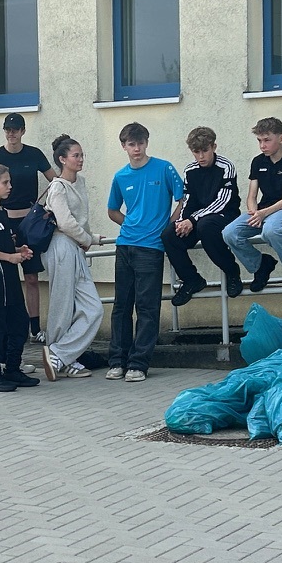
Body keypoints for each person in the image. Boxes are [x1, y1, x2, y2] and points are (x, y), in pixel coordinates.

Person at [106, 123, 185, 383]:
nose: (137, 148)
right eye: (131, 144)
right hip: (125, 245)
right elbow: (112, 210)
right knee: (121, 306)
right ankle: (117, 361)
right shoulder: (120, 176)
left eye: (140, 143)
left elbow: (183, 198)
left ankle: (138, 364)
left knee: (147, 307)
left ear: (147, 142)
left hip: (151, 247)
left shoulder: (164, 168)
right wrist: (131, 224)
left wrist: (169, 226)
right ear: (124, 146)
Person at [223, 118, 282, 292]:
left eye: (267, 140)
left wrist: (263, 214)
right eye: (259, 141)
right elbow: (251, 196)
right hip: (263, 211)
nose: (262, 145)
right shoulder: (257, 162)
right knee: (229, 233)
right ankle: (261, 265)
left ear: (281, 138)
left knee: (271, 230)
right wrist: (254, 211)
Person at [43, 136, 104, 376]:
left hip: (76, 247)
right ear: (62, 159)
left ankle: (58, 355)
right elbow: (65, 222)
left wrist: (92, 238)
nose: (80, 159)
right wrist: (87, 239)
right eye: (75, 155)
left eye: (81, 155)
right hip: (61, 247)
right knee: (62, 306)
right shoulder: (57, 187)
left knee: (94, 309)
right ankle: (61, 360)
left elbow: (80, 221)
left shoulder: (80, 183)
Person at [0, 166, 37, 393]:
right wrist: (10, 257)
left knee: (19, 323)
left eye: (9, 182)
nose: (10, 186)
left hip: (10, 282)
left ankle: (12, 368)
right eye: (5, 182)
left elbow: (2, 244)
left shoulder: (2, 211)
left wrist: (19, 250)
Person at [165, 128, 243, 304]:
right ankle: (192, 280)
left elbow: (222, 201)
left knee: (206, 227)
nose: (201, 156)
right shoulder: (190, 170)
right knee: (169, 235)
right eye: (196, 152)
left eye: (205, 150)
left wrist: (192, 220)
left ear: (214, 147)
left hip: (225, 215)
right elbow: (188, 200)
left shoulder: (226, 166)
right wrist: (182, 221)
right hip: (197, 219)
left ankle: (232, 272)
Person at [0, 114, 52, 339]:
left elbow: (56, 181)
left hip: (29, 223)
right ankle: (8, 327)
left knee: (31, 277)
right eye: (8, 129)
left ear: (23, 131)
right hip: (4, 221)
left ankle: (35, 329)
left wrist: (48, 209)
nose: (12, 133)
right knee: (6, 278)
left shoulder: (34, 154)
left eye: (16, 129)